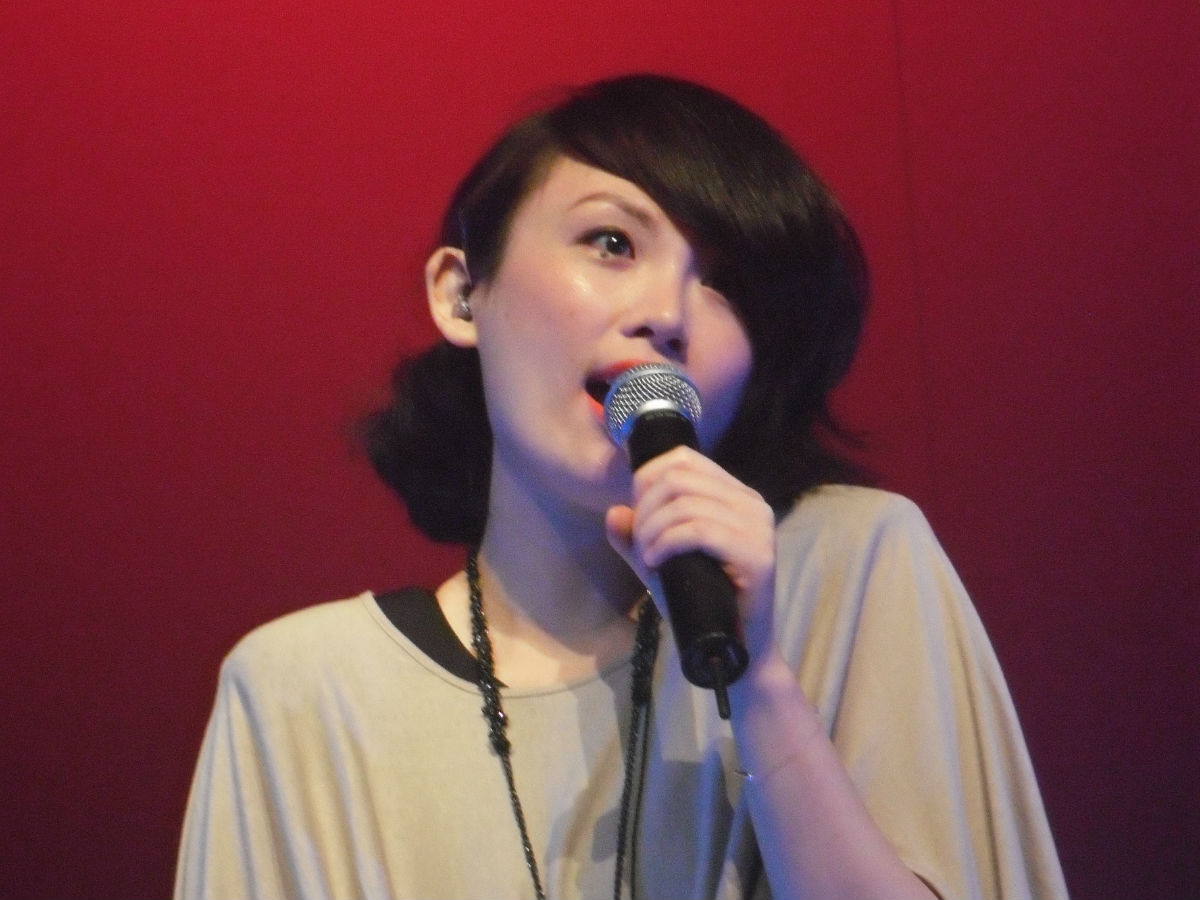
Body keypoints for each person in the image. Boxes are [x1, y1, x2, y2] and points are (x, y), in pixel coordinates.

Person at [174, 73, 1068, 900]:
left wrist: (760, 686)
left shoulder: (849, 565)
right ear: (461, 292)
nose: (666, 315)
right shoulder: (303, 692)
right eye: (612, 243)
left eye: (725, 284)